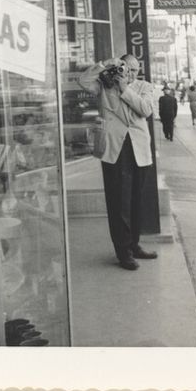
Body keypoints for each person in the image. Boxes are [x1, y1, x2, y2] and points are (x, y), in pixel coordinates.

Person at [78, 54, 158, 271]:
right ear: (119, 67)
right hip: (115, 148)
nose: (130, 73)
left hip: (139, 149)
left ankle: (135, 245)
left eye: (134, 70)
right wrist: (106, 64)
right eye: (126, 68)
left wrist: (125, 89)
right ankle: (123, 252)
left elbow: (146, 109)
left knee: (136, 201)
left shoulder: (144, 86)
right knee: (118, 202)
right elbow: (83, 81)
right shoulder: (105, 86)